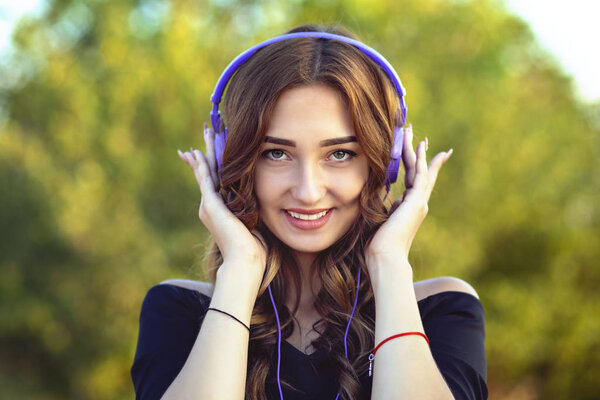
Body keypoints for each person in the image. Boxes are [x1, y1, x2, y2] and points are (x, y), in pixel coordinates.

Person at [131, 24, 487, 400]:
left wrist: (389, 262)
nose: (308, 191)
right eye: (276, 153)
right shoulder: (178, 311)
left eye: (340, 154)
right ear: (231, 161)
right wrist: (240, 270)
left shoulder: (443, 310)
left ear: (386, 163)